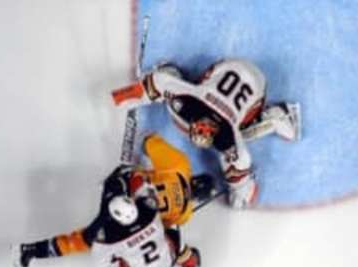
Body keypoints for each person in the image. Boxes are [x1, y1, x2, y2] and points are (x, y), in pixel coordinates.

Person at [110, 59, 301, 209]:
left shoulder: (228, 139)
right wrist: (240, 195)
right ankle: (171, 74)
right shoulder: (195, 112)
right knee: (170, 86)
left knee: (244, 131)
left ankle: (275, 116)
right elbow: (157, 84)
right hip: (236, 74)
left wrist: (122, 97)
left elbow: (155, 83)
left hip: (243, 77)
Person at [13, 163, 201, 267]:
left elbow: (99, 261)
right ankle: (190, 264)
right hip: (168, 261)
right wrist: (131, 174)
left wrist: (118, 250)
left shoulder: (109, 234)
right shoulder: (149, 211)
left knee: (115, 259)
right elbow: (143, 186)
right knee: (174, 235)